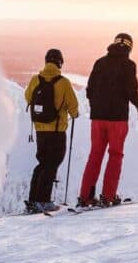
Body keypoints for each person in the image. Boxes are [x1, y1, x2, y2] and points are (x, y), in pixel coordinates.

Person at [78, 33, 138, 207]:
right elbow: (131, 91)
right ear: (130, 47)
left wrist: (97, 106)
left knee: (95, 155)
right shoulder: (129, 65)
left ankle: (85, 197)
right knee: (115, 156)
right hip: (117, 119)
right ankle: (108, 196)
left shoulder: (100, 62)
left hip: (97, 119)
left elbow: (89, 90)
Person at [24, 49, 79, 213]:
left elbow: (28, 97)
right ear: (60, 62)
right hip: (56, 131)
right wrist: (74, 114)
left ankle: (34, 199)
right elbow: (73, 106)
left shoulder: (36, 79)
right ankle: (44, 200)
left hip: (40, 130)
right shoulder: (63, 82)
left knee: (42, 163)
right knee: (52, 163)